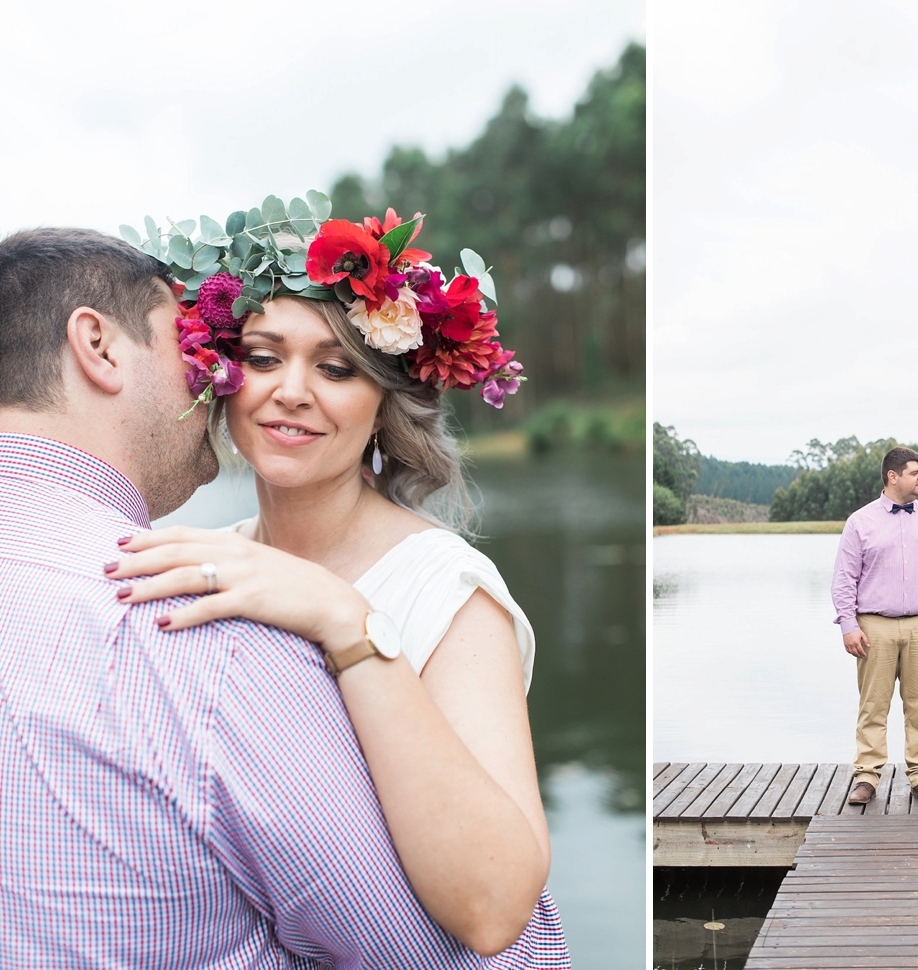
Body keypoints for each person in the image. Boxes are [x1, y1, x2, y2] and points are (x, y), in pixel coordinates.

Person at [0, 225, 566, 967]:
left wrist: (346, 617)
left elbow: (496, 908)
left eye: (336, 370)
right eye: (262, 359)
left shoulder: (446, 588)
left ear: (381, 404)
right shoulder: (206, 560)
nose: (291, 393)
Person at [831, 446, 918, 805]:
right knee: (873, 705)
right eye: (914, 472)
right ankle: (867, 776)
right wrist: (848, 624)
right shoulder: (860, 522)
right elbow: (844, 579)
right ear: (892, 477)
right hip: (873, 626)